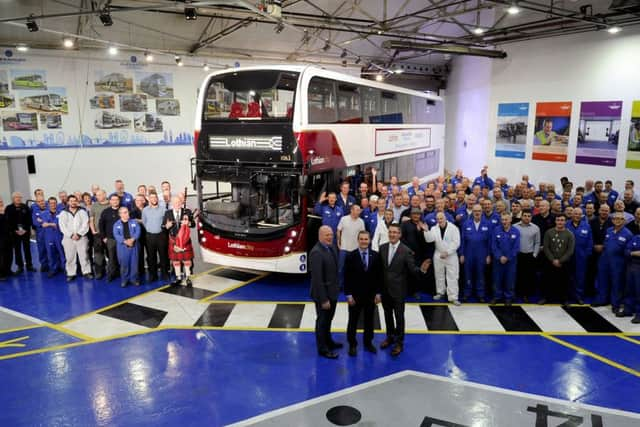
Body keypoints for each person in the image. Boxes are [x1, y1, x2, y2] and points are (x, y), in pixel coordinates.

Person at [379, 224, 429, 356]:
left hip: (398, 291)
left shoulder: (406, 250)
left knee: (399, 317)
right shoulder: (382, 248)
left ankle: (399, 343)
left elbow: (413, 270)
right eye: (390, 232)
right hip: (385, 290)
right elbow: (379, 271)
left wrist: (422, 270)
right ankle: (390, 337)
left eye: (395, 232)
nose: (392, 235)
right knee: (387, 315)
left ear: (400, 235)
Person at [344, 231, 383, 356]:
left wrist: (378, 293)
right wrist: (348, 294)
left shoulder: (376, 256)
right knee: (353, 321)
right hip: (355, 296)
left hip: (370, 295)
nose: (364, 241)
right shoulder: (351, 256)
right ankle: (352, 344)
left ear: (370, 240)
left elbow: (378, 276)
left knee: (369, 320)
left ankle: (368, 342)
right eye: (361, 239)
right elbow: (346, 277)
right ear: (358, 240)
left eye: (366, 239)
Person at [309, 225, 341, 359]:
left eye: (331, 235)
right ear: (320, 236)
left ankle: (329, 341)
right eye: (327, 235)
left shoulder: (332, 247)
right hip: (323, 295)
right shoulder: (316, 252)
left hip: (333, 292)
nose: (330, 237)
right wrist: (324, 299)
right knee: (322, 321)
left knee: (329, 319)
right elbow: (317, 279)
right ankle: (323, 348)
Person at [592, 212, 634, 315]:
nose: (617, 220)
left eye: (620, 219)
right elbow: (606, 244)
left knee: (617, 283)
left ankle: (616, 304)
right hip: (604, 260)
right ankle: (602, 299)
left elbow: (629, 250)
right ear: (612, 220)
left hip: (618, 262)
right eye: (615, 218)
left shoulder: (628, 234)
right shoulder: (609, 230)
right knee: (602, 281)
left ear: (624, 221)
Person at [424, 212, 461, 305]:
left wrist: (447, 252)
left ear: (445, 218)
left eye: (441, 218)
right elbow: (429, 239)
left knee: (452, 276)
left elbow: (456, 242)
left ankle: (453, 297)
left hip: (451, 255)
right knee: (439, 275)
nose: (439, 220)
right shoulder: (434, 228)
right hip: (438, 254)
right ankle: (440, 292)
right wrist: (426, 231)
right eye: (438, 219)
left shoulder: (453, 228)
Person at [540, 214, 575, 305]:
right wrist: (553, 260)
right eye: (558, 220)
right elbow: (546, 248)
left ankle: (564, 299)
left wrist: (560, 260)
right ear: (555, 221)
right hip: (550, 261)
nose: (560, 222)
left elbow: (570, 250)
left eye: (562, 220)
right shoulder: (549, 232)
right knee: (547, 280)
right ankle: (546, 298)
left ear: (565, 222)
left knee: (564, 281)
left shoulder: (570, 234)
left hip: (564, 263)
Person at [460, 204, 491, 302]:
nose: (477, 213)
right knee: (467, 274)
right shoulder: (466, 224)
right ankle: (467, 293)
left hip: (482, 253)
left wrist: (489, 255)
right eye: (475, 211)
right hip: (468, 253)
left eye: (479, 211)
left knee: (480, 274)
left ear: (482, 212)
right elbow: (462, 240)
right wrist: (462, 254)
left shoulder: (488, 224)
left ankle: (480, 294)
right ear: (472, 212)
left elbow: (490, 241)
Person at [58, 195, 93, 282]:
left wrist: (79, 234)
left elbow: (86, 224)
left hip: (81, 237)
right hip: (68, 238)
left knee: (84, 255)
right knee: (69, 256)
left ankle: (86, 272)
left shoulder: (82, 211)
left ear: (77, 202)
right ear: (68, 202)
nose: (73, 202)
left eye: (75, 201)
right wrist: (71, 235)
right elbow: (62, 226)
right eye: (71, 201)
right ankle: (71, 273)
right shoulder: (63, 213)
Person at [163, 196, 196, 286]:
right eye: (175, 203)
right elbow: (163, 226)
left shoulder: (187, 212)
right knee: (175, 260)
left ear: (181, 203)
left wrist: (188, 223)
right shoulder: (168, 213)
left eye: (178, 202)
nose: (176, 204)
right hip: (173, 240)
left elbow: (193, 224)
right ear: (172, 204)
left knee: (187, 260)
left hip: (185, 240)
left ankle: (188, 277)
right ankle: (178, 277)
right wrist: (167, 226)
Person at [491, 213, 520, 306]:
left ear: (510, 220)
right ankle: (497, 297)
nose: (504, 222)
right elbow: (494, 246)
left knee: (510, 280)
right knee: (497, 279)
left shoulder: (516, 231)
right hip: (498, 260)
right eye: (502, 220)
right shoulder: (496, 230)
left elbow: (516, 247)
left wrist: (508, 257)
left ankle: (508, 298)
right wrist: (500, 257)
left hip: (511, 261)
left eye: (506, 220)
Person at [513, 210, 540, 302]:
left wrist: (535, 254)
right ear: (521, 216)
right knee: (517, 274)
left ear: (531, 217)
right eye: (525, 215)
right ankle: (516, 293)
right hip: (518, 255)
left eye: (529, 216)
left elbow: (537, 242)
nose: (527, 217)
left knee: (528, 276)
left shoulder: (535, 228)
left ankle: (526, 294)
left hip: (529, 255)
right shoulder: (515, 227)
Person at [567, 208, 592, 304]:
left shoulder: (586, 226)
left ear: (582, 215)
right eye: (575, 214)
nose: (577, 216)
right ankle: (568, 297)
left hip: (581, 256)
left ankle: (579, 297)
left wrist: (587, 254)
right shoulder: (566, 224)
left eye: (579, 214)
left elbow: (590, 241)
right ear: (572, 214)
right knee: (568, 276)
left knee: (580, 277)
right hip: (567, 255)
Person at [143, 192, 170, 282]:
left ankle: (165, 274)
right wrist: (150, 229)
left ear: (157, 199)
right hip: (150, 236)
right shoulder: (145, 210)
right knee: (151, 256)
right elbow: (144, 222)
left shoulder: (163, 209)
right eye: (151, 198)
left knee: (163, 256)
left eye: (155, 198)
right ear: (149, 199)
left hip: (161, 235)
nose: (153, 199)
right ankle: (152, 275)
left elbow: (166, 222)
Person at [337, 204, 365, 290]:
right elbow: (338, 230)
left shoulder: (361, 221)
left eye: (359, 210)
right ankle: (339, 285)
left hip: (355, 249)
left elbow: (362, 234)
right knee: (341, 268)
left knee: (355, 269)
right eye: (357, 210)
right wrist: (339, 242)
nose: (358, 212)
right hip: (344, 248)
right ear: (351, 210)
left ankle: (354, 285)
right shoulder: (344, 219)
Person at [5, 192, 34, 273]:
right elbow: (8, 221)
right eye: (16, 197)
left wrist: (25, 229)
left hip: (25, 232)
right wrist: (15, 230)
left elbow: (29, 219)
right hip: (15, 233)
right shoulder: (9, 208)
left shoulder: (25, 207)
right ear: (13, 198)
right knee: (17, 249)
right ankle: (19, 266)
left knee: (27, 249)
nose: (18, 198)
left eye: (20, 197)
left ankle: (29, 265)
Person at [114, 207, 142, 287]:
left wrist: (132, 239)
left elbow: (138, 231)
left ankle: (134, 279)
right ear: (120, 214)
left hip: (134, 246)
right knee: (124, 264)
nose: (127, 214)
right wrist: (125, 241)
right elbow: (116, 235)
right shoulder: (116, 224)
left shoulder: (134, 222)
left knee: (134, 263)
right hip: (122, 247)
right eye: (125, 212)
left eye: (127, 212)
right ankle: (124, 280)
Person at [40, 197, 65, 278]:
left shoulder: (61, 213)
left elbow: (60, 224)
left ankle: (64, 268)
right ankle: (53, 269)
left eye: (54, 203)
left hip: (59, 235)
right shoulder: (44, 213)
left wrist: (50, 224)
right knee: (51, 253)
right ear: (48, 204)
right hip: (49, 236)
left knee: (62, 252)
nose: (53, 204)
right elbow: (43, 224)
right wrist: (52, 224)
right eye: (51, 203)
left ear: (56, 203)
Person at [100, 194, 122, 282]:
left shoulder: (123, 210)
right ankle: (111, 275)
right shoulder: (106, 211)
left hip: (122, 239)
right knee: (111, 257)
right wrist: (104, 237)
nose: (115, 201)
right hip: (111, 239)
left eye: (117, 200)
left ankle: (121, 273)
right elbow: (101, 225)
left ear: (119, 201)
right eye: (113, 200)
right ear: (110, 201)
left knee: (121, 257)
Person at [89, 190, 109, 280]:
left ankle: (113, 271)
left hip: (109, 234)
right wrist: (93, 231)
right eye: (97, 195)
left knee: (111, 254)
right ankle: (99, 272)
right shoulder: (94, 206)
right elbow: (91, 219)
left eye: (100, 195)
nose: (98, 197)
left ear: (105, 194)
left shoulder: (111, 204)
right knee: (98, 255)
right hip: (98, 234)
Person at [31, 196, 49, 273]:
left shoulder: (49, 209)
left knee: (51, 250)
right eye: (39, 201)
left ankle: (54, 265)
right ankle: (44, 265)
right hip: (40, 234)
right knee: (42, 250)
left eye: (42, 201)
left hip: (50, 233)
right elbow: (35, 221)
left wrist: (41, 220)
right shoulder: (35, 211)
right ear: (36, 203)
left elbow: (49, 220)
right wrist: (42, 222)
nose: (41, 202)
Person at [626, 232, 640, 323]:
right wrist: (634, 253)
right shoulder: (636, 237)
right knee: (629, 289)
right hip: (632, 265)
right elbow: (626, 251)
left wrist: (632, 252)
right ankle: (628, 309)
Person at [0, 197, 12, 280]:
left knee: (9, 254)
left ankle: (8, 270)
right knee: (1, 256)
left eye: (1, 201)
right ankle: (1, 274)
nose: (1, 203)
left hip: (8, 236)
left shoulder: (6, 210)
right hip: (0, 237)